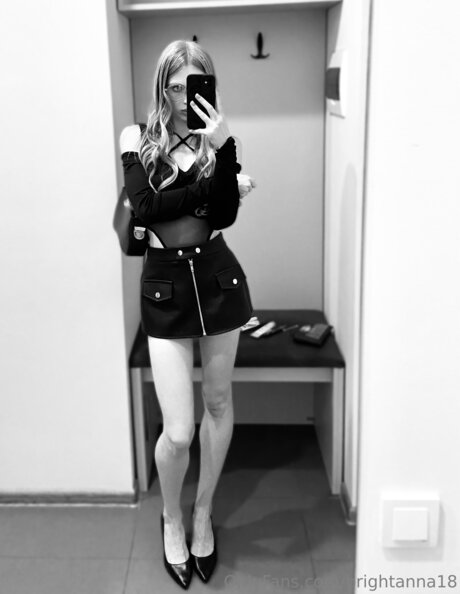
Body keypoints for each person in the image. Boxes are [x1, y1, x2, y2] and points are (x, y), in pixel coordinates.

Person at [119, 40, 256, 589]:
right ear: (161, 87)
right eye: (174, 86)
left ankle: (202, 513)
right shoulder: (136, 138)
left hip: (218, 280)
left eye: (193, 85)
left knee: (218, 402)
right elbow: (145, 207)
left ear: (209, 85)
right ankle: (171, 516)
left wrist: (226, 151)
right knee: (177, 432)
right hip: (165, 288)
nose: (183, 98)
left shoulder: (218, 140)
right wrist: (213, 187)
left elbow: (225, 215)